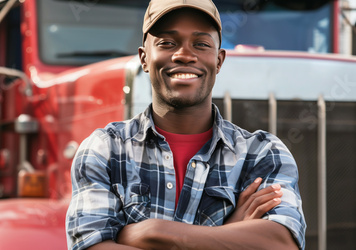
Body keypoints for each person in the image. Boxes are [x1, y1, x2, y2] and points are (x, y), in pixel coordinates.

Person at [66, 0, 306, 249]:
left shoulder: (263, 153)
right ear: (144, 58)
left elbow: (282, 242)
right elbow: (90, 245)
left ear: (219, 60)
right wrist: (228, 234)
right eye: (167, 43)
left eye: (201, 44)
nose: (184, 55)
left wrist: (152, 232)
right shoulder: (105, 149)